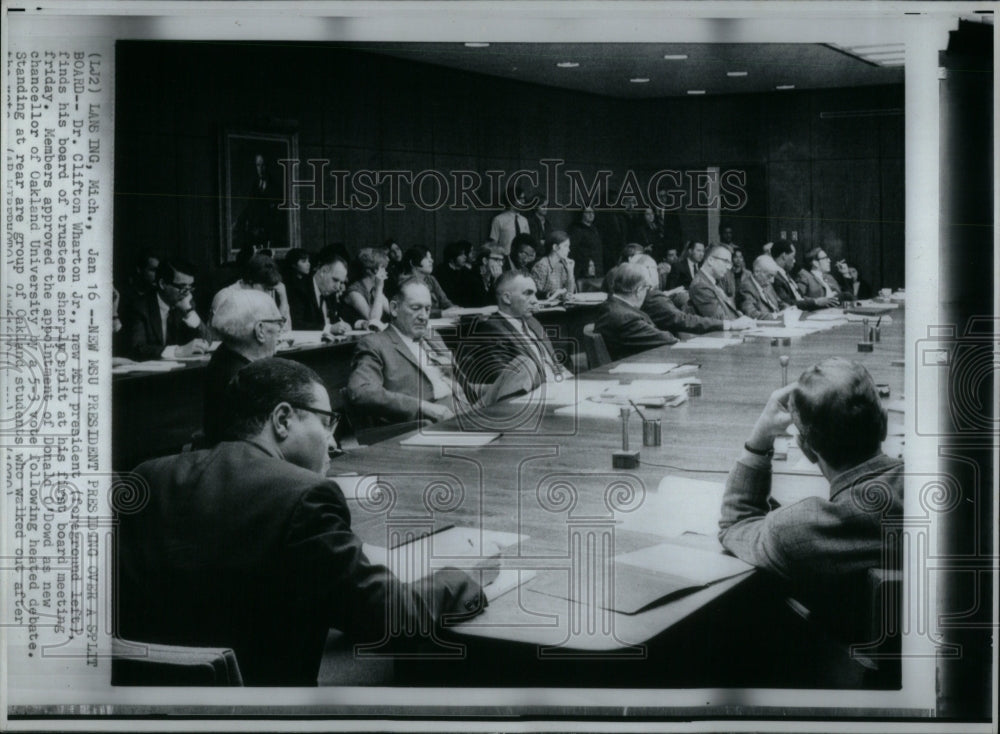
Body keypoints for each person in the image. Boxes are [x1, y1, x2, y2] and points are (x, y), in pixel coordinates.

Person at [118, 357, 485, 686]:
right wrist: (459, 578)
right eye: (327, 423)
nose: (333, 441)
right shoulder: (303, 496)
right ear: (282, 419)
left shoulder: (148, 475)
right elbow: (390, 620)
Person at [718, 358, 903, 640]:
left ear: (805, 449)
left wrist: (760, 438)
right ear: (884, 424)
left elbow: (735, 525)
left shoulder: (797, 531)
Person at [345, 280, 471, 429]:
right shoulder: (375, 344)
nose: (424, 316)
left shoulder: (432, 336)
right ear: (394, 308)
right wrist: (423, 407)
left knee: (504, 386)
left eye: (427, 309)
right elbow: (361, 391)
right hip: (427, 424)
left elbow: (465, 386)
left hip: (466, 408)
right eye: (416, 308)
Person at [460, 271, 572, 403]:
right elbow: (507, 385)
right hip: (534, 401)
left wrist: (572, 381)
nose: (535, 300)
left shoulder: (532, 322)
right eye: (528, 293)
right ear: (507, 298)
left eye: (535, 293)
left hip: (561, 390)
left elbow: (555, 363)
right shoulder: (490, 332)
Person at [634, 255, 753, 336]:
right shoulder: (652, 296)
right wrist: (730, 324)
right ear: (647, 270)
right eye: (656, 268)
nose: (659, 272)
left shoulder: (650, 296)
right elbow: (683, 319)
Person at [123, 257, 212, 360]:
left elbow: (206, 341)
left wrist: (189, 311)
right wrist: (179, 351)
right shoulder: (139, 307)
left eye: (190, 287)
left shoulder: (186, 304)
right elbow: (137, 349)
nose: (187, 293)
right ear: (162, 284)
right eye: (182, 287)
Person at [593, 263, 678, 360]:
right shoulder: (626, 318)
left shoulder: (609, 306)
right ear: (639, 290)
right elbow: (667, 340)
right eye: (647, 288)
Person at [210, 253, 291, 331]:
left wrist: (283, 299)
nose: (267, 293)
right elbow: (219, 335)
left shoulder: (264, 294)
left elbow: (284, 330)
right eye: (265, 288)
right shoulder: (225, 296)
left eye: (269, 289)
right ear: (250, 280)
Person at [284, 250, 353, 333]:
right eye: (335, 280)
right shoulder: (298, 289)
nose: (338, 287)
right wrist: (329, 328)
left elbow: (338, 317)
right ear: (323, 271)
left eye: (341, 282)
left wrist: (346, 325)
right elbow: (296, 324)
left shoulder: (330, 292)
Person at [770, 240, 839, 311]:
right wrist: (816, 302)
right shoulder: (776, 277)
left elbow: (800, 297)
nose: (794, 261)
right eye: (793, 256)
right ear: (784, 256)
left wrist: (817, 301)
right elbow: (787, 302)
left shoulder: (785, 274)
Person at [688, 245, 746, 320]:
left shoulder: (713, 282)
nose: (728, 267)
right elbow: (720, 319)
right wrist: (740, 320)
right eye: (725, 261)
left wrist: (739, 316)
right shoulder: (700, 285)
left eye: (729, 263)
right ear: (710, 260)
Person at [341, 247, 391, 328]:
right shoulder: (354, 292)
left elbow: (393, 313)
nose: (386, 272)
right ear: (374, 271)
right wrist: (379, 288)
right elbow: (373, 321)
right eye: (383, 268)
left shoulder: (374, 289)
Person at [398, 246, 455, 316]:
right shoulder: (405, 283)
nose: (431, 261)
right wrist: (441, 313)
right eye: (426, 258)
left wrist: (455, 309)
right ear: (412, 263)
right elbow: (415, 310)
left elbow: (445, 302)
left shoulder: (431, 279)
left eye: (430, 257)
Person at [531, 231, 576, 299]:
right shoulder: (541, 265)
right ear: (555, 247)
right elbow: (535, 293)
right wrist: (553, 294)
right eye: (566, 246)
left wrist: (570, 272)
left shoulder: (562, 265)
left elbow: (569, 293)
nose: (569, 250)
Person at [738, 255, 784, 320]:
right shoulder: (745, 288)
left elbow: (780, 303)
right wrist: (775, 316)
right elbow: (751, 314)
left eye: (773, 276)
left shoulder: (766, 285)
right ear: (757, 272)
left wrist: (789, 310)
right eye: (769, 276)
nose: (772, 281)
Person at [488, 186, 530, 254]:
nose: (523, 201)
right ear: (511, 199)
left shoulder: (524, 221)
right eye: (520, 198)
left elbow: (528, 242)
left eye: (524, 198)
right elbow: (493, 243)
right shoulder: (498, 220)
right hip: (506, 259)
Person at [465, 241, 506, 307]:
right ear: (485, 260)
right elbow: (485, 305)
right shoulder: (471, 278)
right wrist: (496, 283)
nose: (501, 264)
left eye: (502, 260)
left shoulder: (491, 277)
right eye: (497, 260)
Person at [567, 206, 604, 279]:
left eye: (592, 212)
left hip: (597, 267)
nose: (591, 215)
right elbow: (573, 250)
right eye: (588, 212)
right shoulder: (577, 230)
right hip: (584, 268)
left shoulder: (594, 229)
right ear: (582, 214)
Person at [434, 240, 475, 305]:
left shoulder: (466, 271)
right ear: (452, 257)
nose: (465, 257)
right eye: (461, 255)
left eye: (464, 254)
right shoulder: (441, 271)